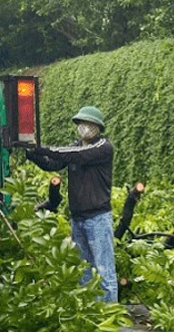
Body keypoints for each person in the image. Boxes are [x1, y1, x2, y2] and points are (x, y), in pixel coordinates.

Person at [26, 106, 117, 302]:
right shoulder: (76, 147)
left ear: (98, 127)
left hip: (98, 218)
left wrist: (41, 147)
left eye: (89, 124)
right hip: (78, 219)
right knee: (84, 269)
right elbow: (52, 163)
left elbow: (70, 155)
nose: (85, 128)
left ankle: (111, 316)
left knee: (104, 270)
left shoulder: (103, 148)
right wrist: (32, 154)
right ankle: (90, 313)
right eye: (82, 124)